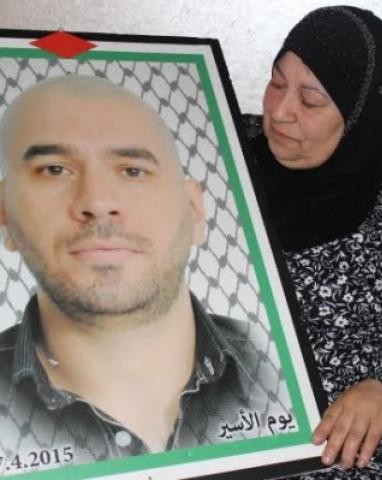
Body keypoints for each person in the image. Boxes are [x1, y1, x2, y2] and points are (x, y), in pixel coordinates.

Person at [0, 75, 274, 472]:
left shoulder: (278, 366)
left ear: (195, 211)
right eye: (55, 169)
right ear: (5, 216)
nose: (97, 201)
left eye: (132, 171)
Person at [244, 5, 382, 479]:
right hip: (207, 425)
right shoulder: (223, 152)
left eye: (310, 100)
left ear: (357, 116)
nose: (280, 111)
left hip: (333, 452)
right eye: (276, 82)